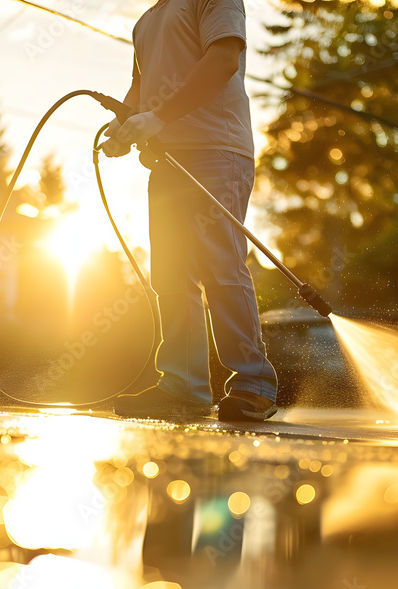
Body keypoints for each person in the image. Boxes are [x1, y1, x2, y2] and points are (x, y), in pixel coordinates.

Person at [100, 0, 278, 422]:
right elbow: (139, 89)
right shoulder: (146, 21)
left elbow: (222, 60)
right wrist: (128, 125)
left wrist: (158, 117)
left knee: (220, 266)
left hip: (218, 152)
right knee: (171, 276)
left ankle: (254, 383)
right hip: (166, 161)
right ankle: (183, 386)